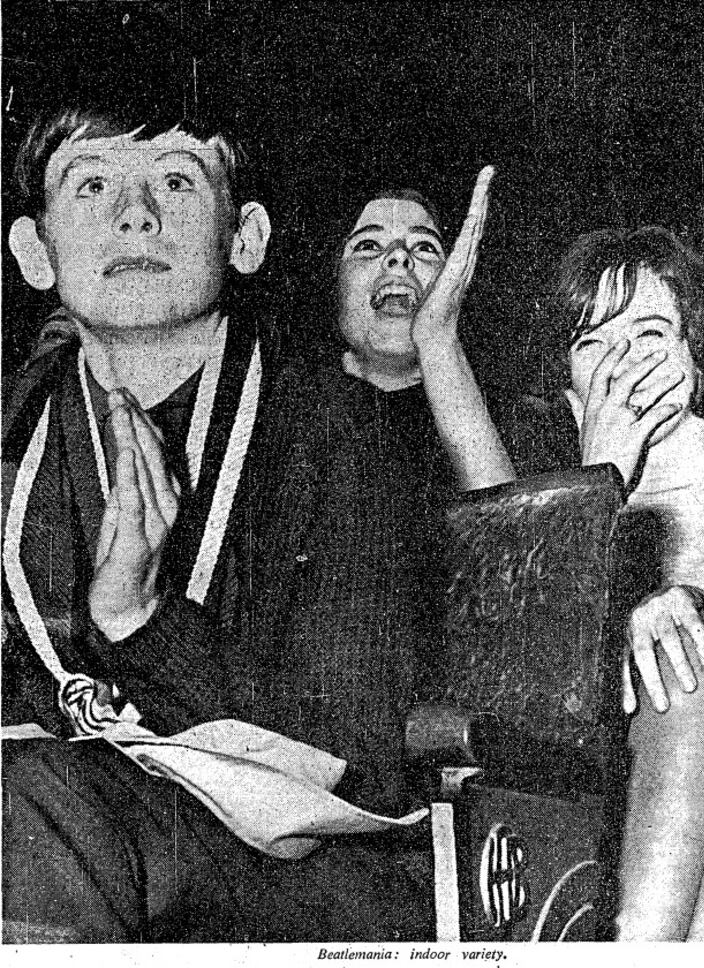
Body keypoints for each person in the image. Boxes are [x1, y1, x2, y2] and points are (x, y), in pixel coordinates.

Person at [2, 99, 511, 942]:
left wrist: (143, 623)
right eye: (91, 185)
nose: (136, 213)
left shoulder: (342, 430)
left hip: (306, 872)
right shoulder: (18, 431)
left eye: (176, 181)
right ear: (34, 251)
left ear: (246, 239)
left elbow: (360, 757)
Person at [552, 226, 704, 940]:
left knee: (686, 648)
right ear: (569, 394)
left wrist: (697, 604)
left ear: (696, 355)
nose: (625, 359)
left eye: (651, 332)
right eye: (594, 342)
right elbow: (542, 706)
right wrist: (598, 487)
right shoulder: (552, 520)